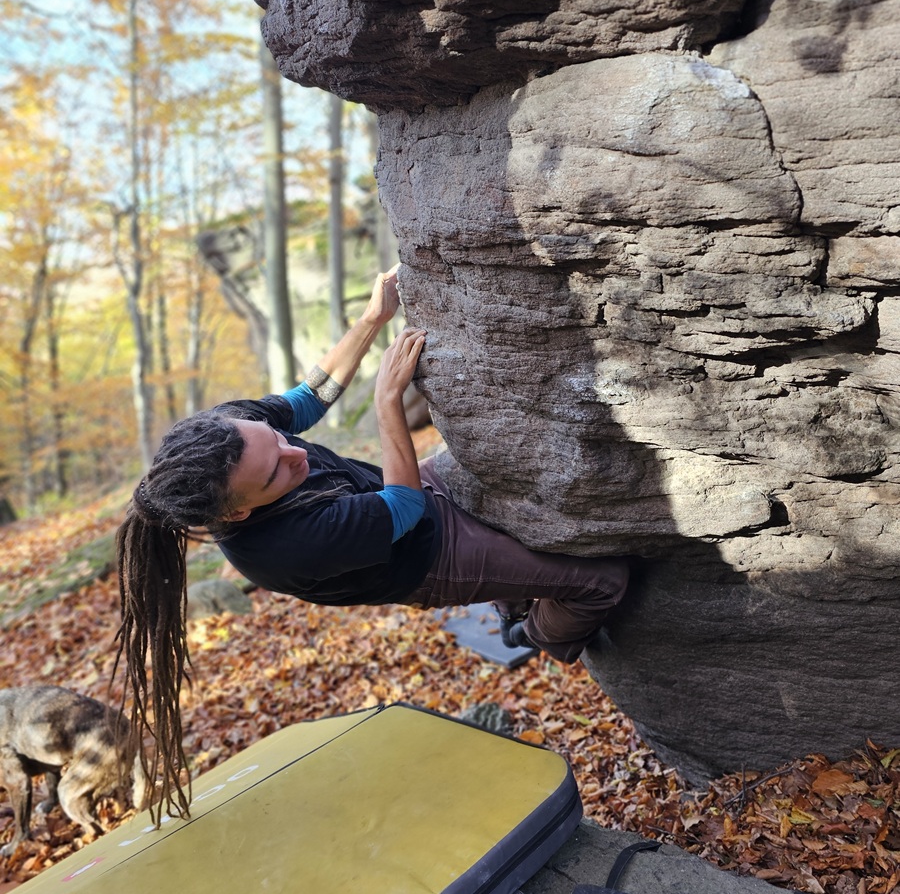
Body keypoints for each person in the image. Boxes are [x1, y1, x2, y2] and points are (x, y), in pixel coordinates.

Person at [115, 266, 629, 820]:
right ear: (238, 510)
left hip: (400, 491)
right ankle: (537, 632)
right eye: (277, 473)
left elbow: (307, 399)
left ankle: (512, 596)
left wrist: (371, 318)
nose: (298, 455)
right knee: (603, 582)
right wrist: (388, 403)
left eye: (277, 442)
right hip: (426, 556)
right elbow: (404, 511)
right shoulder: (278, 549)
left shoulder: (229, 434)